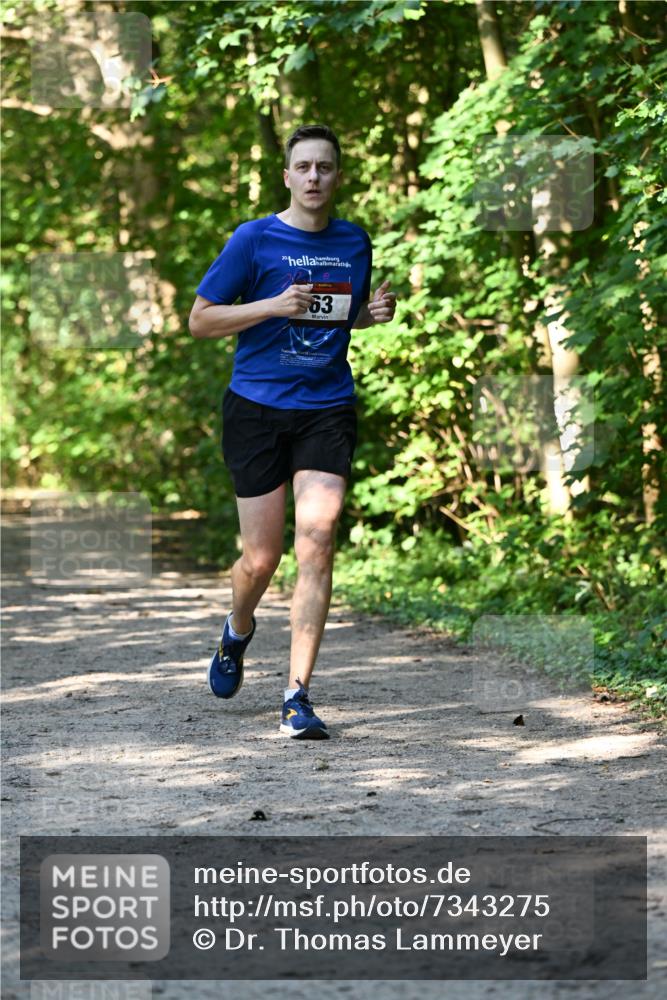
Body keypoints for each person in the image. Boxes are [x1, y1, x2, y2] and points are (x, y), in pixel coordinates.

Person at [189, 124, 396, 739]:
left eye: (324, 168)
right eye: (303, 167)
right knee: (261, 557)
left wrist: (366, 316)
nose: (313, 177)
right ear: (287, 175)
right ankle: (238, 629)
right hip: (255, 409)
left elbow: (331, 313)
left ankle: (297, 696)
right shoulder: (254, 240)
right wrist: (271, 305)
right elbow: (201, 321)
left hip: (326, 407)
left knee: (319, 536)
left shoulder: (353, 241)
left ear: (337, 176)